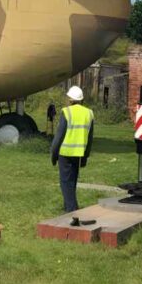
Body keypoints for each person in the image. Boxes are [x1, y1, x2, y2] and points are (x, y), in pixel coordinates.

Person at [50, 85, 94, 213]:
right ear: (81, 100)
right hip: (79, 153)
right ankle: (68, 208)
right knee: (72, 182)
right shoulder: (89, 113)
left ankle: (72, 210)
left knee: (65, 182)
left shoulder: (67, 112)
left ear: (70, 99)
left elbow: (59, 136)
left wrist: (54, 154)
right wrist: (86, 156)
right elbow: (90, 138)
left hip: (65, 153)